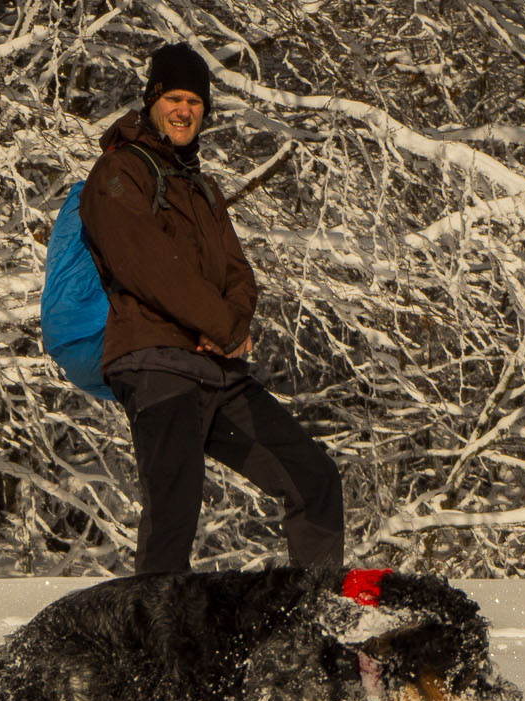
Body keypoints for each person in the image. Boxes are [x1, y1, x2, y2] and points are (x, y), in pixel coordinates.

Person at [79, 41, 345, 574]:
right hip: (154, 362)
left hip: (215, 367)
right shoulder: (117, 174)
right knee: (174, 513)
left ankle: (315, 622)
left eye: (195, 102)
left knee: (313, 476)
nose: (184, 110)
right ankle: (153, 652)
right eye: (174, 98)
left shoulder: (203, 187)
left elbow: (239, 275)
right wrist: (221, 326)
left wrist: (228, 328)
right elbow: (149, 268)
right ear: (152, 101)